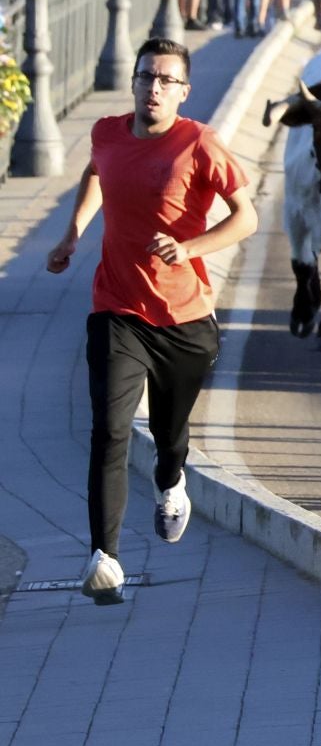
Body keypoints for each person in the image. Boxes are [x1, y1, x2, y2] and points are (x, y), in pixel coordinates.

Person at [46, 37, 257, 602]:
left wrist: (189, 248)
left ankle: (171, 481)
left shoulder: (199, 143)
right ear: (134, 83)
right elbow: (95, 172)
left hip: (185, 320)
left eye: (166, 80)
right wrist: (72, 236)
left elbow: (247, 218)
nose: (154, 87)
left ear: (184, 91)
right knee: (110, 430)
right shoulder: (108, 134)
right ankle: (104, 557)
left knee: (169, 435)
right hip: (116, 308)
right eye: (146, 77)